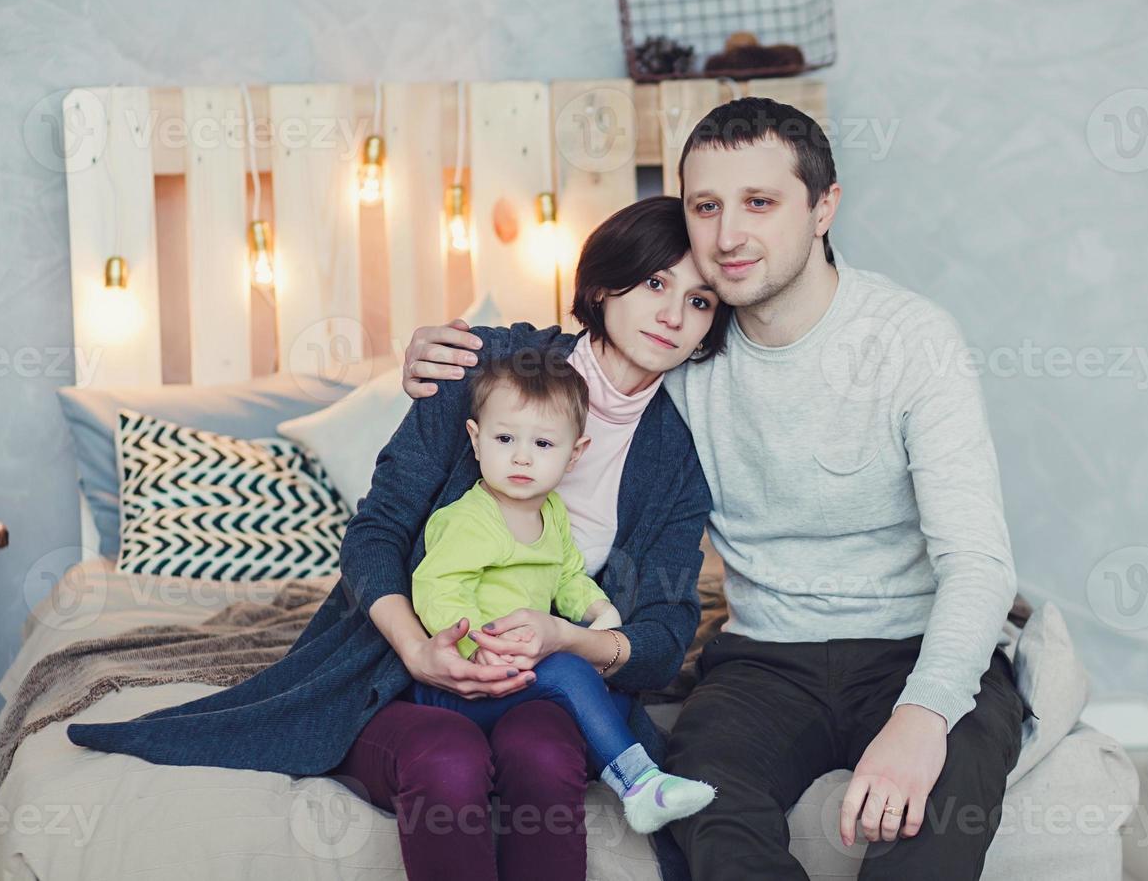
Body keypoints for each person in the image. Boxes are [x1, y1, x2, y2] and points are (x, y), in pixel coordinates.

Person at [401, 96, 1033, 881]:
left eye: (760, 203)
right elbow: (566, 362)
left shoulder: (911, 341)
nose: (728, 236)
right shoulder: (687, 350)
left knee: (932, 827)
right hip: (764, 661)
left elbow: (978, 562)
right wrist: (453, 351)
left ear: (824, 207)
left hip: (913, 643)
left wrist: (924, 715)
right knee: (710, 814)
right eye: (706, 206)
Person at [68, 194, 730, 881]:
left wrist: (570, 639)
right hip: (406, 670)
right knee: (448, 759)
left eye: (702, 301)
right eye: (656, 282)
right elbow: (375, 535)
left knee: (545, 756)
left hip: (549, 683)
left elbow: (665, 631)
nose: (673, 314)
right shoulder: (487, 365)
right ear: (601, 283)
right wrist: (418, 650)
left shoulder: (679, 452)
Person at [407, 350, 718, 833]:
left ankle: (637, 766)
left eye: (544, 443)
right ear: (476, 439)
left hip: (518, 672)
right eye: (505, 438)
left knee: (612, 701)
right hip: (462, 683)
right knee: (572, 672)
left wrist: (598, 609)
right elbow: (438, 589)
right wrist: (473, 648)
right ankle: (640, 784)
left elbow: (567, 574)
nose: (522, 456)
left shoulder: (551, 513)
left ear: (575, 453)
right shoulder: (470, 519)